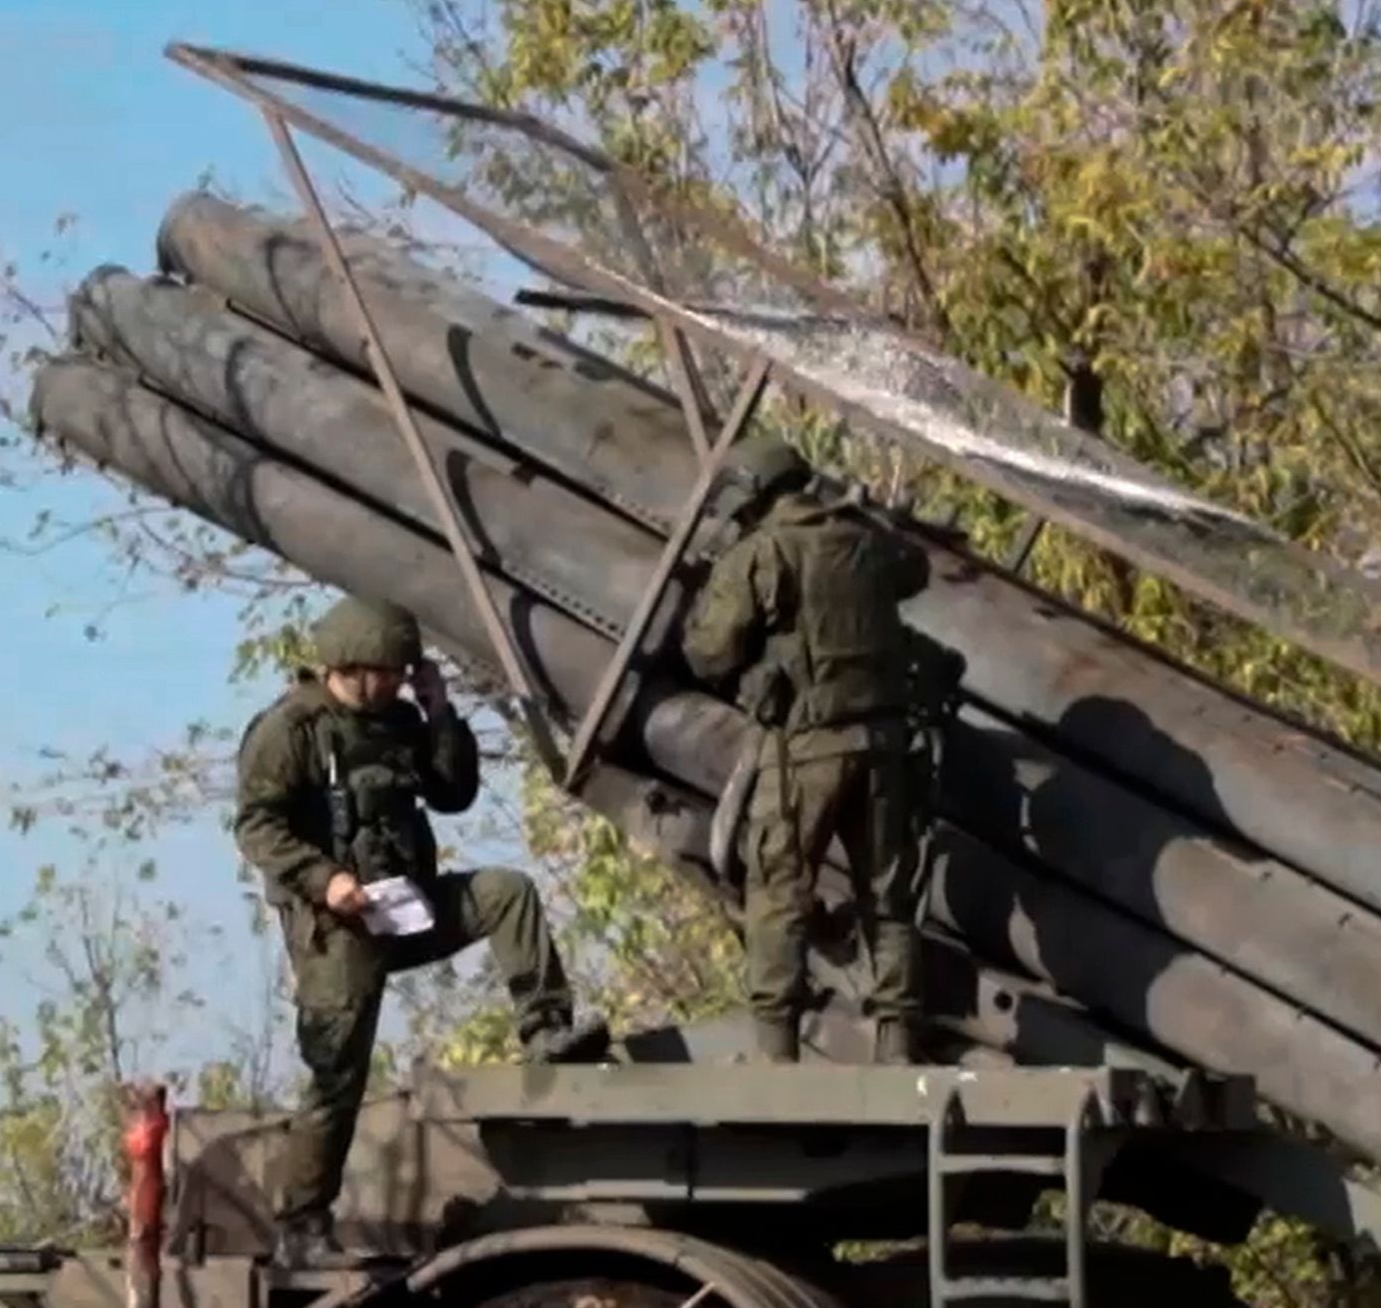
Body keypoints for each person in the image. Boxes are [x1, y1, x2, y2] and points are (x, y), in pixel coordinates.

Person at [235, 595, 610, 1249]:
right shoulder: (290, 731)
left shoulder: (401, 720)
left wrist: (441, 715)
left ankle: (545, 1027)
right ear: (355, 666)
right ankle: (301, 1221)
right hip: (339, 931)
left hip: (405, 904)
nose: (402, 681)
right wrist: (329, 882)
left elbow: (452, 794)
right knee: (336, 1074)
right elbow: (257, 827)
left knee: (506, 892)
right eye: (395, 672)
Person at [684, 432, 943, 1064]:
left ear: (752, 492)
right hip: (883, 747)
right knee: (887, 895)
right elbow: (915, 569)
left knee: (778, 890)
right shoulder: (864, 543)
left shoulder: (761, 555)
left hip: (805, 752)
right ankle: (897, 1042)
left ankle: (777, 1050)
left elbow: (708, 651)